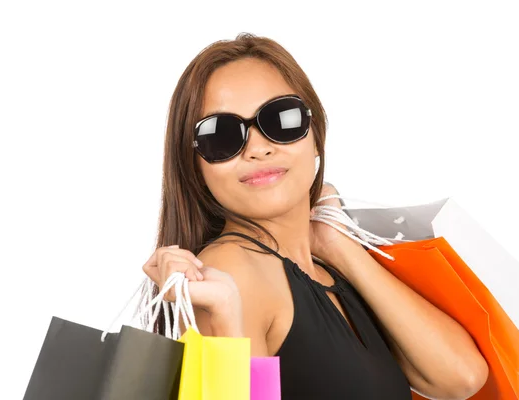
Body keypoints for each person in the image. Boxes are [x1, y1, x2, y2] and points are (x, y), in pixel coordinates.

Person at [142, 33, 488, 399]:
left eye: (281, 119)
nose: (258, 148)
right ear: (193, 164)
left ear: (315, 134)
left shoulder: (325, 268)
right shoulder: (231, 272)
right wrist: (227, 314)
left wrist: (338, 247)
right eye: (222, 136)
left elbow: (462, 377)